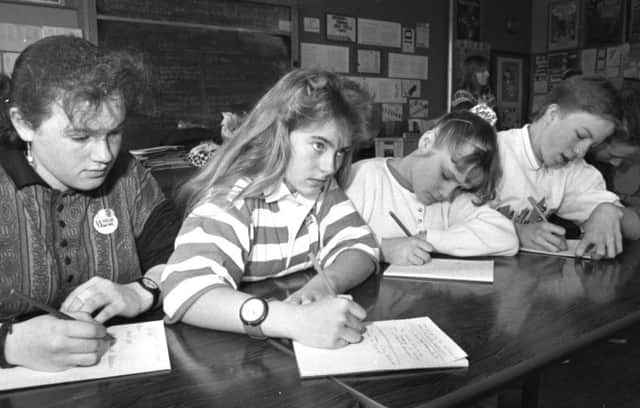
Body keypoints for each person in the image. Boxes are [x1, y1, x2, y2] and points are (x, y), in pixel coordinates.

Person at [160, 69, 380, 349]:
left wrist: (324, 286)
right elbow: (184, 291)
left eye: (340, 152)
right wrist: (295, 320)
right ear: (278, 134)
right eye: (318, 145)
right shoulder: (234, 196)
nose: (330, 167)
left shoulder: (324, 190)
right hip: (228, 352)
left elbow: (362, 248)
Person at [0, 35, 182, 371]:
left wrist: (141, 291)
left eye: (114, 132)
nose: (105, 156)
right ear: (23, 123)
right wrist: (8, 345)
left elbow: (181, 258)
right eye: (81, 137)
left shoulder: (130, 176)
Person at [493, 75, 640, 259]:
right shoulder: (490, 151)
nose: (581, 151)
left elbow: (635, 228)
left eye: (592, 145)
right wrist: (515, 231)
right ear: (552, 115)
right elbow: (449, 220)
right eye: (580, 135)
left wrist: (611, 211)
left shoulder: (572, 170)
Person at [345, 110, 518, 265]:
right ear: (427, 142)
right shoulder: (362, 178)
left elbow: (506, 237)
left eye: (461, 188)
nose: (447, 193)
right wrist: (382, 249)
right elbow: (324, 243)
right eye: (446, 175)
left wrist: (428, 239)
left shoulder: (453, 200)